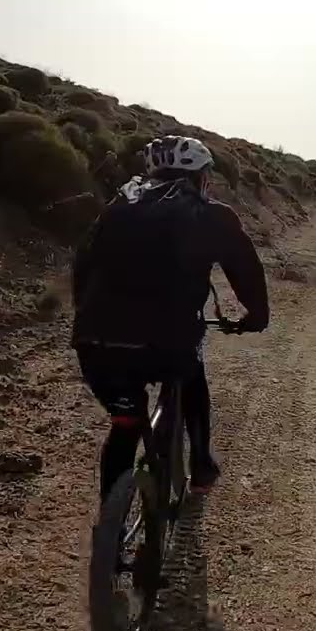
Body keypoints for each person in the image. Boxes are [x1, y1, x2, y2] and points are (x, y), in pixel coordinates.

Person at [71, 135, 269, 498]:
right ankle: (203, 469)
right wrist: (256, 316)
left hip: (96, 344)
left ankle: (110, 540)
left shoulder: (116, 208)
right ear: (201, 177)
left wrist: (85, 317)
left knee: (126, 422)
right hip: (166, 344)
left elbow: (81, 268)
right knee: (191, 373)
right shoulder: (211, 214)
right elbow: (245, 272)